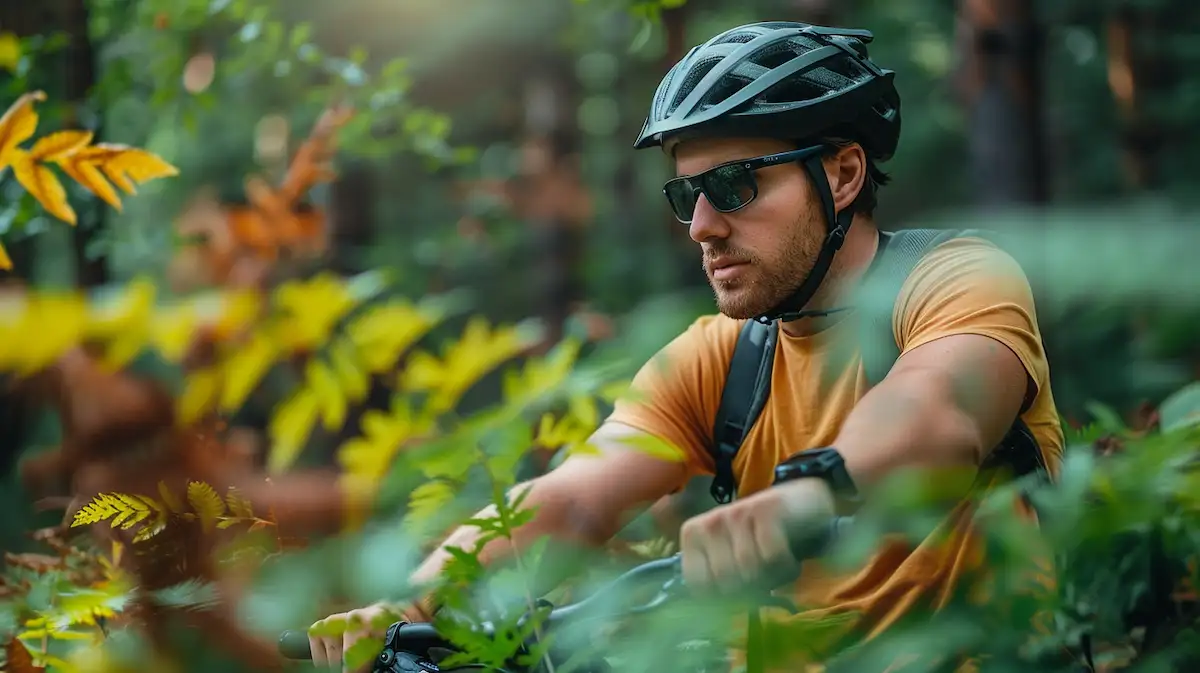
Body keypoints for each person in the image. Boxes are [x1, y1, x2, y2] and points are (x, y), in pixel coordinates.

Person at [309, 20, 1064, 670]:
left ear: (840, 174)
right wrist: (407, 600)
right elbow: (570, 500)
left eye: (733, 185)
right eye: (686, 195)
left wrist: (814, 487)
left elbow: (938, 410)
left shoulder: (956, 280)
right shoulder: (721, 354)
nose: (702, 225)